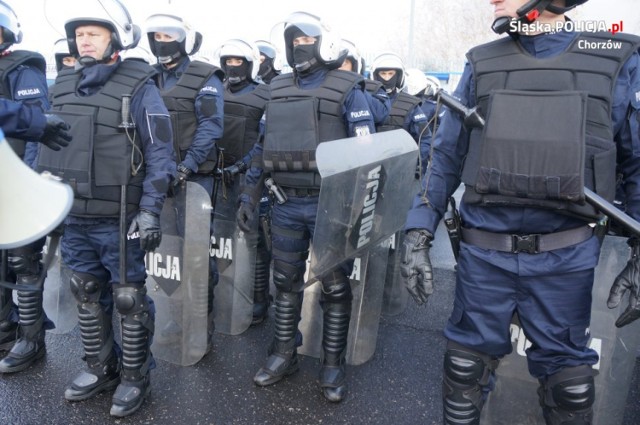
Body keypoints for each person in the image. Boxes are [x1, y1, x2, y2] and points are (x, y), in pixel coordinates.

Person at [399, 0, 640, 424]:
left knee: (570, 389)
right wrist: (418, 231)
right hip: (483, 254)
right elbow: (445, 154)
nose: (493, 0)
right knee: (463, 370)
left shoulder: (617, 59)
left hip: (566, 258)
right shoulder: (481, 62)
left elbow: (638, 162)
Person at [36, 0, 175, 417]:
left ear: (115, 38)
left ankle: (135, 377)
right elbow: (42, 144)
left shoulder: (140, 85)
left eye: (93, 34)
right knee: (85, 293)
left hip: (119, 220)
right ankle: (101, 367)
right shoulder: (62, 84)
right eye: (79, 35)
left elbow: (161, 152)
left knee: (129, 300)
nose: (85, 41)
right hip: (74, 217)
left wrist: (150, 209)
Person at [236, 11, 376, 402]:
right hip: (284, 204)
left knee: (334, 286)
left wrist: (363, 207)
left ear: (324, 43)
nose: (300, 48)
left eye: (306, 40)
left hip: (330, 205)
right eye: (293, 41)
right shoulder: (276, 88)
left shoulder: (349, 88)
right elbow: (263, 147)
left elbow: (367, 153)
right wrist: (249, 193)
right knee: (284, 282)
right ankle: (284, 353)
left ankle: (333, 365)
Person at [145, 11, 224, 352]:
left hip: (194, 181)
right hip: (157, 181)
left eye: (169, 36)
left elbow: (211, 126)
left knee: (196, 255)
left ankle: (201, 322)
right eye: (157, 36)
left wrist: (187, 166)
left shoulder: (205, 76)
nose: (162, 42)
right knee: (167, 253)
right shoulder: (147, 78)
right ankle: (177, 314)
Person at [0, 0, 65, 375]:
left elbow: (38, 128)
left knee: (23, 261)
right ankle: (6, 323)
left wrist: (30, 181)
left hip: (17, 178)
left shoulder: (22, 67)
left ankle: (31, 338)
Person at [217, 38, 272, 326]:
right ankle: (220, 293)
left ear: (250, 64)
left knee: (255, 240)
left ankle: (259, 298)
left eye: (238, 61)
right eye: (228, 61)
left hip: (252, 178)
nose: (232, 66)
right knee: (219, 238)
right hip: (219, 176)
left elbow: (266, 141)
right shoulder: (215, 91)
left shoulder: (266, 94)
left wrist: (245, 165)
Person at [370, 52, 430, 174]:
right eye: (383, 73)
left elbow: (424, 139)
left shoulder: (410, 104)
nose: (387, 78)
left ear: (399, 76)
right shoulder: (364, 100)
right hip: (368, 170)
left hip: (400, 172)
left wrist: (416, 166)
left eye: (391, 73)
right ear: (375, 75)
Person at [339, 39, 390, 126]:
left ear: (355, 65)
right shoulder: (321, 87)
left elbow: (381, 115)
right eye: (336, 63)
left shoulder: (373, 88)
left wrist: (357, 89)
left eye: (344, 63)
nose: (339, 68)